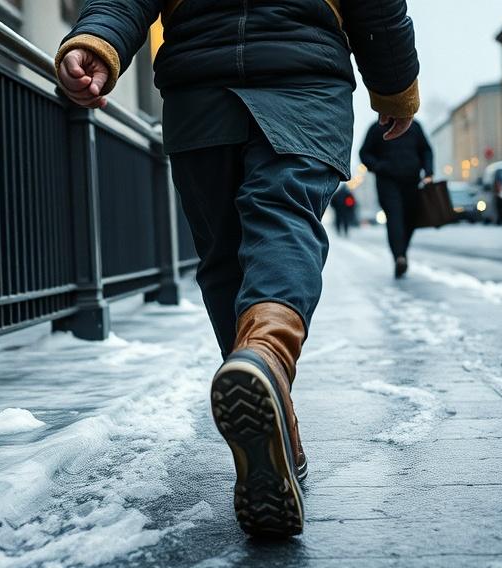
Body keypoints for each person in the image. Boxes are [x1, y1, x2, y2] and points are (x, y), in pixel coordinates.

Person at [55, 0, 420, 537]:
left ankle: (278, 425)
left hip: (201, 81)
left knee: (225, 257)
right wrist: (394, 85)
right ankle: (268, 361)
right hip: (305, 75)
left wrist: (96, 39)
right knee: (284, 216)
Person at [359, 119, 433, 277]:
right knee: (395, 218)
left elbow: (426, 150)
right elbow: (364, 153)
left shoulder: (414, 126)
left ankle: (402, 254)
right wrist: (378, 166)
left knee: (410, 219)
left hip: (412, 181)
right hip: (387, 182)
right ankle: (399, 256)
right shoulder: (377, 127)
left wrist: (428, 172)